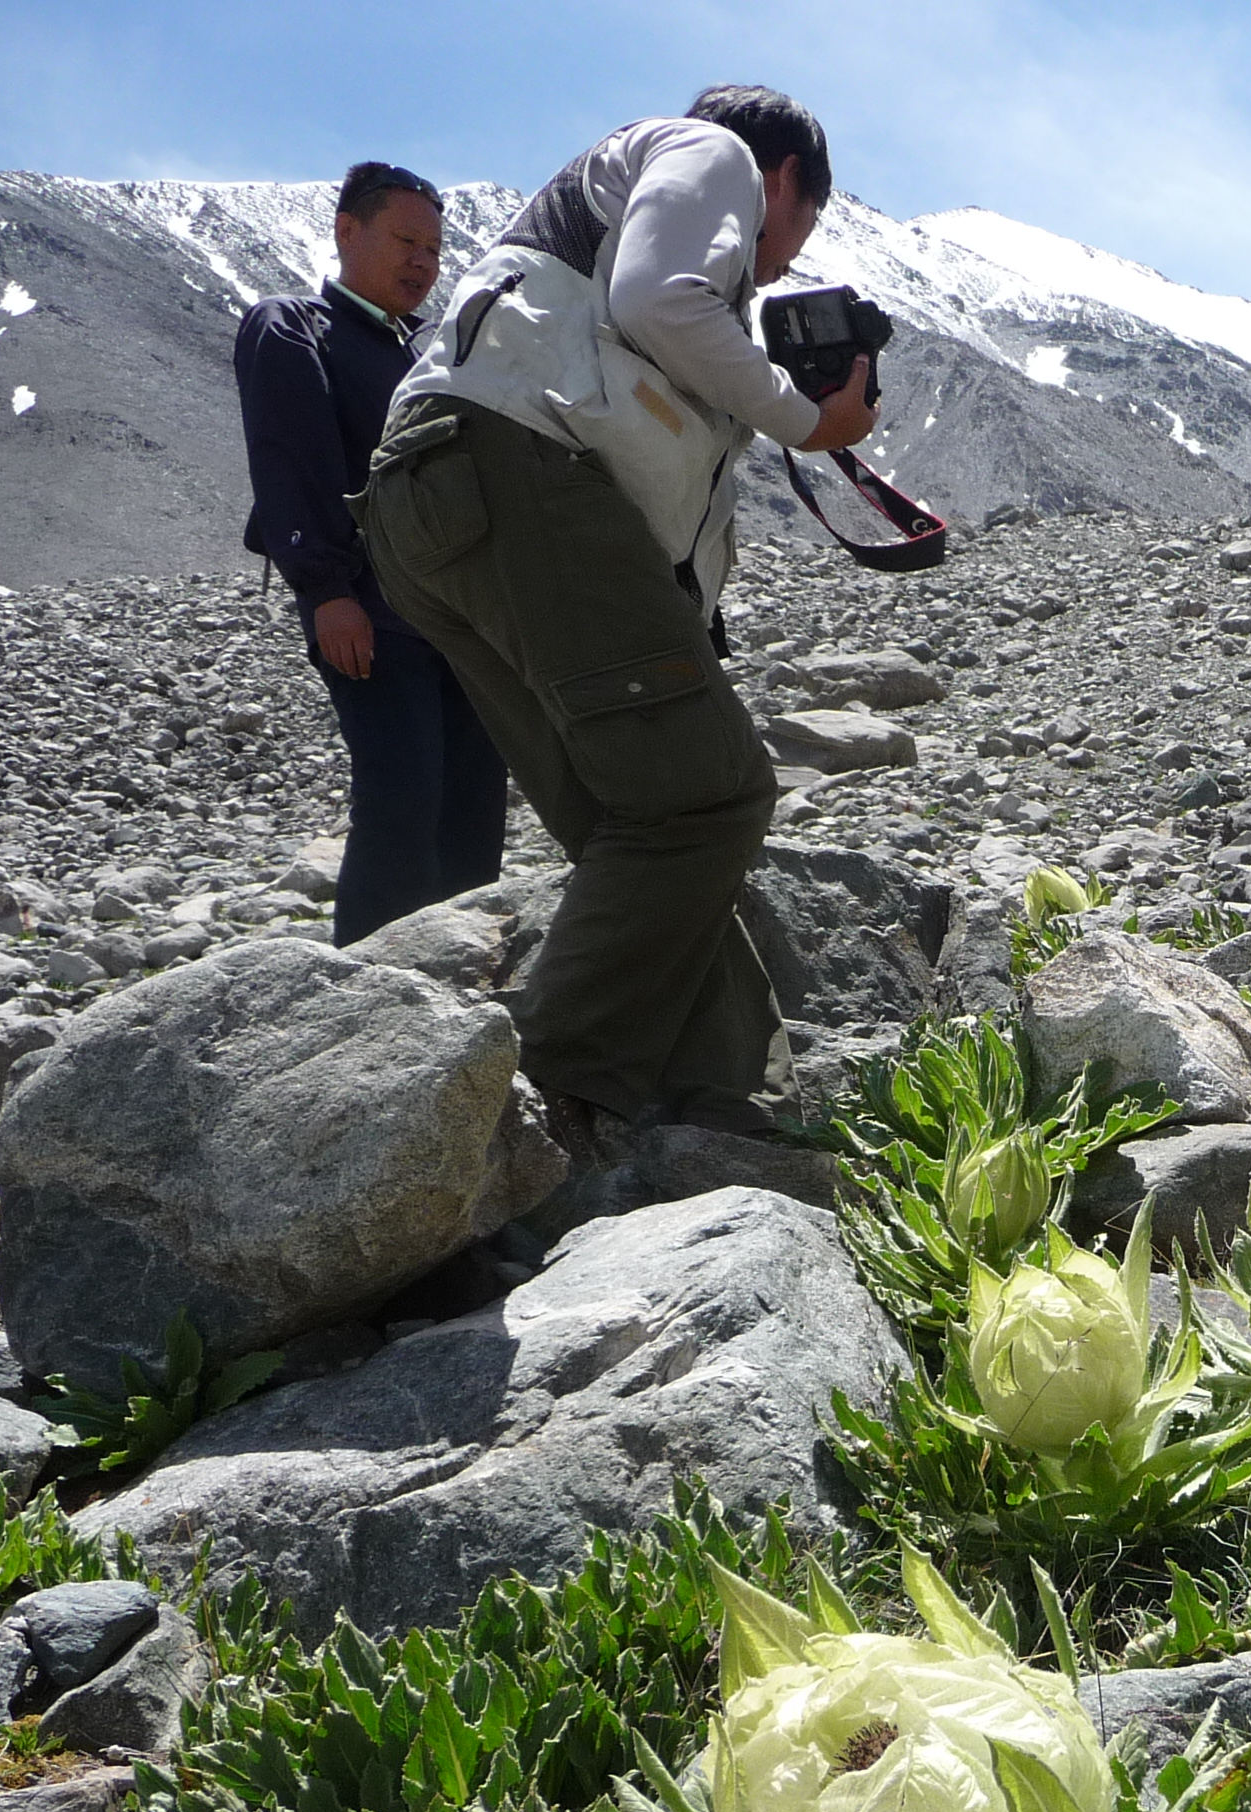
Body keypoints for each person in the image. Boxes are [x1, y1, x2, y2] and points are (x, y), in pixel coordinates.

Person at [363, 85, 875, 1153]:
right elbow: (656, 299)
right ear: (785, 178)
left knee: (631, 818)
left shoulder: (596, 207)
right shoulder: (714, 152)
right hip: (515, 477)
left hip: (430, 503)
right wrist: (803, 415)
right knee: (708, 794)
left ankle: (728, 1097)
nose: (779, 263)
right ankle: (526, 1117)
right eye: (801, 231)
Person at [236, 161, 510, 946]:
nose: (423, 262)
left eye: (434, 247)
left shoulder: (429, 355)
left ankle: (455, 973)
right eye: (405, 240)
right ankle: (370, 988)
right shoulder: (293, 327)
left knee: (471, 797)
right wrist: (325, 591)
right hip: (373, 612)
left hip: (462, 619)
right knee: (401, 794)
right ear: (346, 231)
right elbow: (291, 461)